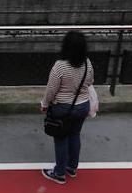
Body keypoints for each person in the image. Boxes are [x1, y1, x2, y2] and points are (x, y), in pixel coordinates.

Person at [40, 31, 95, 185]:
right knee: (75, 134)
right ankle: (71, 167)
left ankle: (59, 173)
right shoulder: (87, 63)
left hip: (63, 108)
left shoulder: (60, 66)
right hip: (83, 105)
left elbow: (51, 90)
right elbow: (90, 81)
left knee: (61, 138)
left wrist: (44, 104)